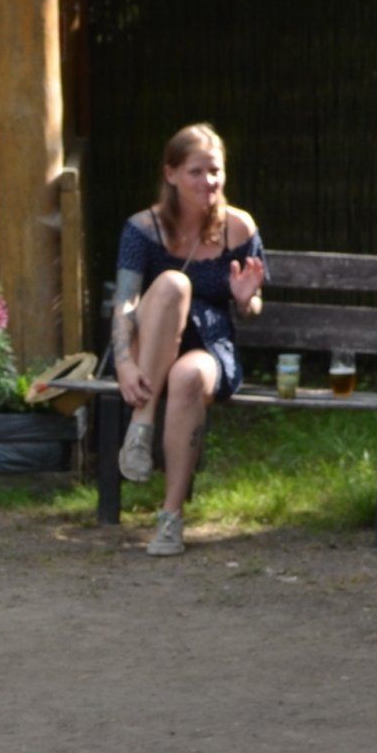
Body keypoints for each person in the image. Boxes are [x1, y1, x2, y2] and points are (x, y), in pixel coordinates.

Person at [109, 121, 265, 556]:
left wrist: (246, 300)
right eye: (196, 171)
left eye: (215, 171)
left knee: (188, 378)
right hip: (149, 345)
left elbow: (253, 308)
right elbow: (125, 302)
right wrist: (123, 363)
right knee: (174, 285)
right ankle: (142, 425)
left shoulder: (238, 228)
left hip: (209, 343)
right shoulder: (143, 229)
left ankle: (170, 517)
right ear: (171, 174)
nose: (208, 181)